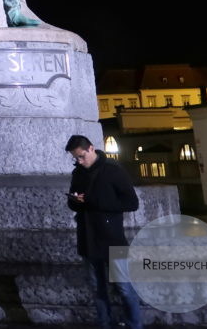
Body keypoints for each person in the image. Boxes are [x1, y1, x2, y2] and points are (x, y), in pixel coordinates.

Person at [66, 134, 143, 329]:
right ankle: (104, 324)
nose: (79, 161)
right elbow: (73, 203)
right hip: (88, 238)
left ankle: (135, 325)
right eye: (76, 158)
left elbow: (132, 203)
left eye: (81, 156)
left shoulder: (113, 170)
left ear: (91, 148)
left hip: (113, 238)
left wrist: (95, 202)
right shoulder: (78, 173)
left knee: (124, 287)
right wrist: (74, 200)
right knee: (96, 288)